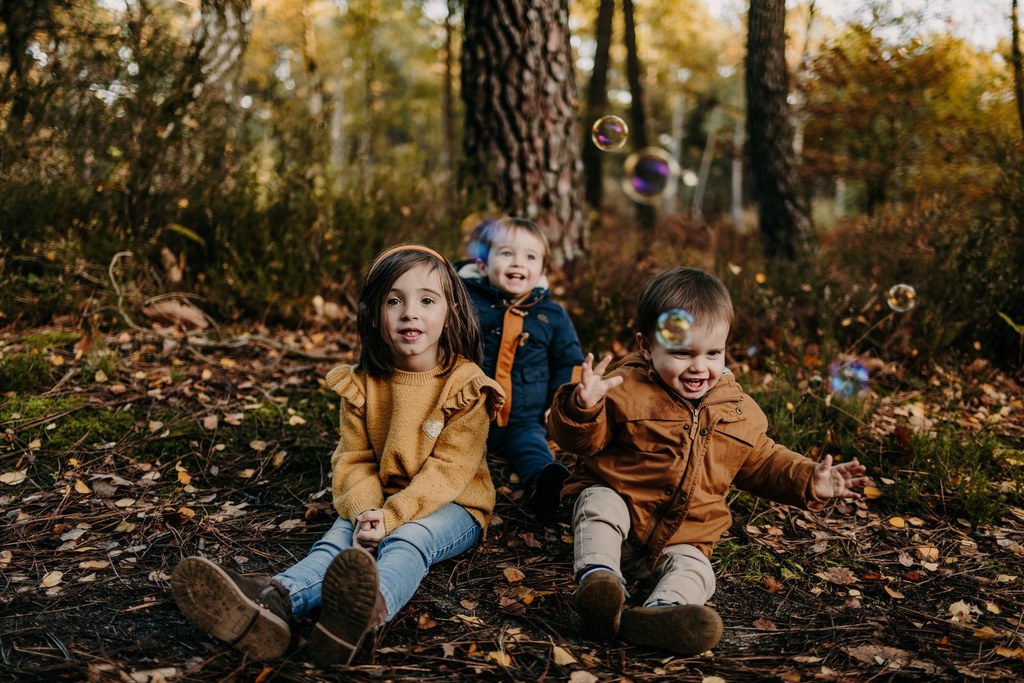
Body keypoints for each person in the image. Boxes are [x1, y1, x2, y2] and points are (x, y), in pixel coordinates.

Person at [171, 245, 504, 666]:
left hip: (453, 503)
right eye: (394, 300)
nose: (410, 313)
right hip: (380, 499)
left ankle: (363, 614)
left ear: (451, 310)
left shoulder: (465, 384)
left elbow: (449, 471)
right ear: (374, 313)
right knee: (335, 543)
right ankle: (274, 603)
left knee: (408, 540)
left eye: (426, 300)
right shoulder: (362, 383)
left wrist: (392, 516)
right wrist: (366, 510)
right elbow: (353, 458)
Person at [547, 266, 869, 655]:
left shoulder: (736, 410)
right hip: (623, 515)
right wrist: (583, 407)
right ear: (647, 346)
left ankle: (662, 615)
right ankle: (600, 584)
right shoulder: (624, 390)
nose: (700, 366)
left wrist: (808, 479)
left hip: (684, 535)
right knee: (599, 503)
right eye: (682, 353)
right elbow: (583, 441)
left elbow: (763, 462)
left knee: (698, 570)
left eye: (713, 353)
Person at [457, 216, 584, 519]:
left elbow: (568, 360)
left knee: (532, 448)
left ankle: (544, 485)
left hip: (523, 418)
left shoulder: (551, 315)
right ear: (483, 264)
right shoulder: (464, 303)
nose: (518, 263)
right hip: (467, 412)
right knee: (455, 449)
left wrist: (561, 402)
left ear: (541, 269)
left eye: (530, 257)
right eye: (506, 254)